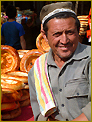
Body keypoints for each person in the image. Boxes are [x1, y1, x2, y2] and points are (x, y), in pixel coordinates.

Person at [28, 2, 91, 121]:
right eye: (57, 34)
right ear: (45, 36)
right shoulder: (37, 69)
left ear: (78, 31)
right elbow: (40, 113)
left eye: (70, 32)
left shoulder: (89, 59)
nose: (64, 40)